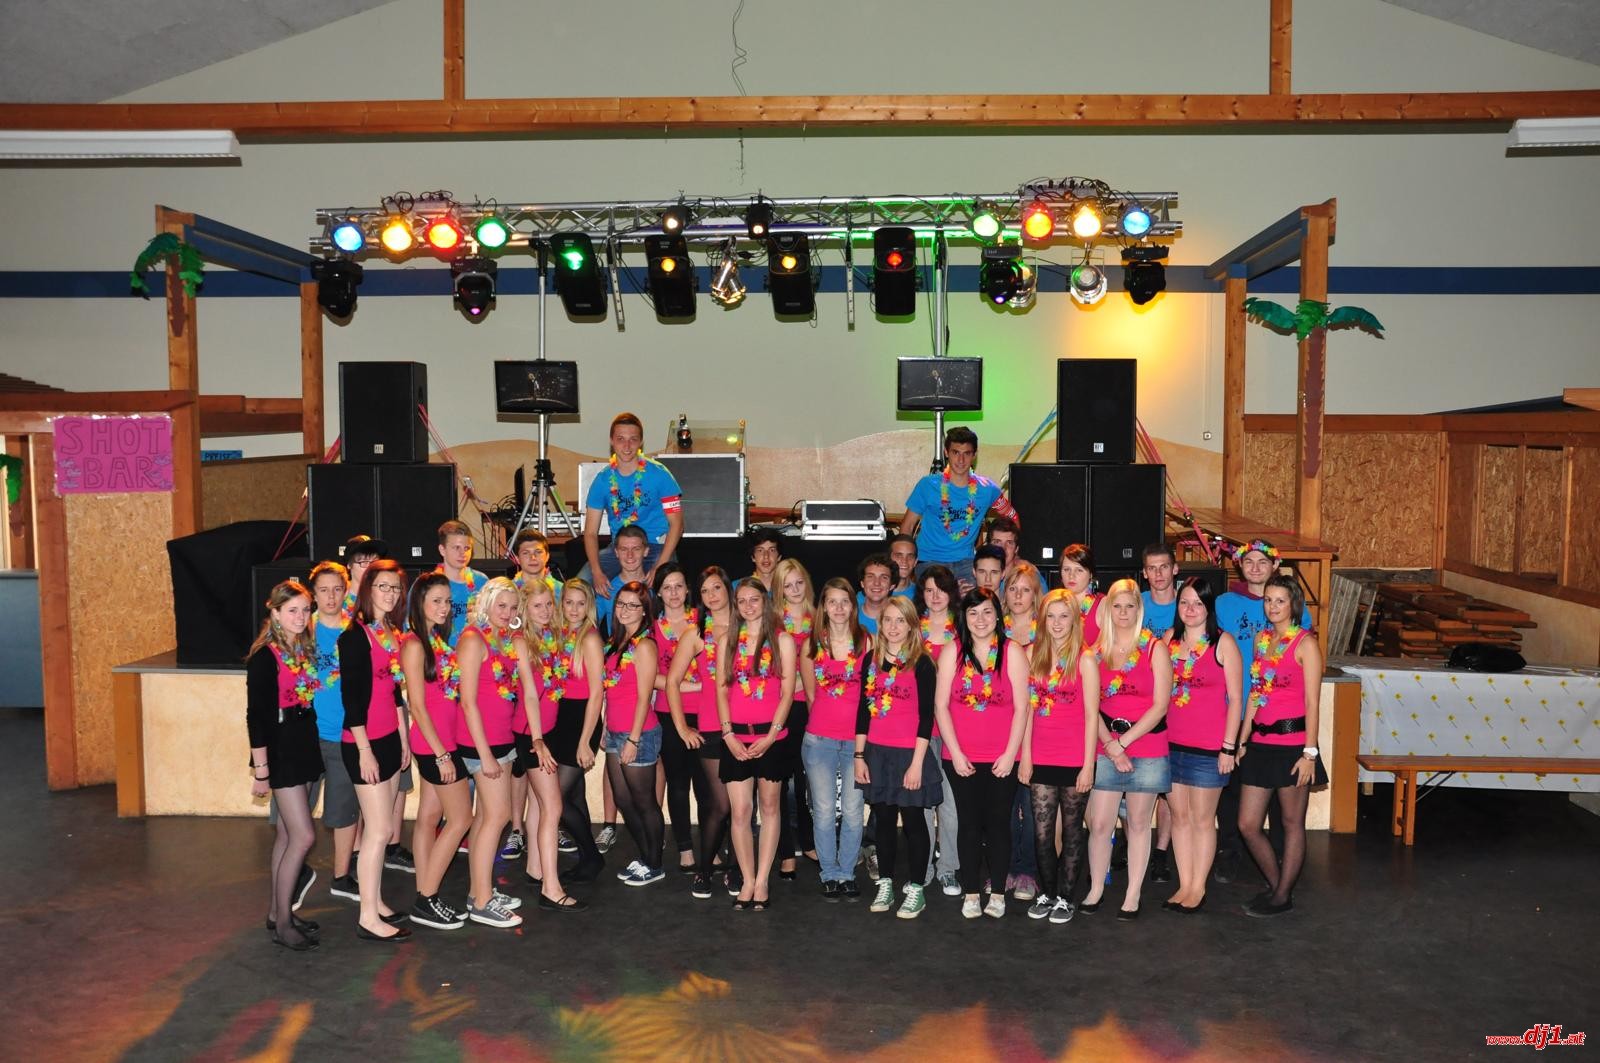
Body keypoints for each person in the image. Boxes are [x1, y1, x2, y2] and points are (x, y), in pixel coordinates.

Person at [1212, 539, 1311, 884]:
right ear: (1239, 566)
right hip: (1239, 713)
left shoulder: (1298, 623)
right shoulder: (1227, 606)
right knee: (1235, 797)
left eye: (1262, 562)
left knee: (1285, 808)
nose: (1255, 568)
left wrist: (1310, 750)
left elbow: (1306, 682)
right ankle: (1233, 856)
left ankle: (1283, 869)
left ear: (1275, 566)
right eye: (1249, 561)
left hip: (1284, 724)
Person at [933, 588, 1029, 920]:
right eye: (973, 613)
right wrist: (956, 753)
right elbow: (941, 706)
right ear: (964, 617)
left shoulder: (1013, 652)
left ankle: (998, 893)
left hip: (1003, 758)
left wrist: (1011, 753)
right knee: (969, 824)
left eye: (987, 611)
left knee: (999, 824)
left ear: (997, 615)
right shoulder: (952, 651)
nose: (980, 619)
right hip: (961, 758)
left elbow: (1022, 708)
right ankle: (972, 892)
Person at [1237, 574, 1328, 917]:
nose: (1272, 606)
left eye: (1280, 601)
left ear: (1293, 605)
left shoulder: (1306, 644)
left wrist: (1310, 753)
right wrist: (1242, 739)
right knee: (1248, 825)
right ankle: (1278, 886)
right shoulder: (1261, 640)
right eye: (1268, 600)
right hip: (1260, 744)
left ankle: (1282, 896)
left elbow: (1313, 703)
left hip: (1293, 747)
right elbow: (1255, 695)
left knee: (1291, 824)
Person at [1081, 578, 1172, 921]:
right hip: (1105, 744)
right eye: (1116, 606)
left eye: (1129, 606)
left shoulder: (1154, 649)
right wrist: (1110, 744)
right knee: (1100, 824)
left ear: (1139, 609)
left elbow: (1160, 705)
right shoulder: (1094, 651)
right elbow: (1089, 706)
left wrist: (1123, 743)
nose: (1122, 612)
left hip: (1146, 746)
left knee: (1137, 823)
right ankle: (1095, 889)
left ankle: (1132, 894)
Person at [337, 560, 412, 942]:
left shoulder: (391, 633)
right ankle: (368, 917)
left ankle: (375, 900)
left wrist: (403, 739)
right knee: (380, 829)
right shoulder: (354, 636)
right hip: (362, 743)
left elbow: (395, 692)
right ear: (368, 589)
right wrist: (365, 750)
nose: (390, 594)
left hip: (389, 740)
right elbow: (352, 701)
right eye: (383, 586)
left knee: (380, 831)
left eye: (395, 588)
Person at [247, 580, 324, 952]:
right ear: (275, 613)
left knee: (286, 834)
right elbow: (256, 717)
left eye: (305, 610)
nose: (300, 616)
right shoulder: (265, 657)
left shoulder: (302, 649)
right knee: (303, 836)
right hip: (281, 750)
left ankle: (277, 913)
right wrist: (262, 770)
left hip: (303, 741)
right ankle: (283, 924)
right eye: (292, 610)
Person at [855, 596, 942, 919]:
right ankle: (886, 883)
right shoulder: (870, 660)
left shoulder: (922, 662)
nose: (893, 627)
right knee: (884, 822)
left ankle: (917, 888)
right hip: (877, 753)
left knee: (914, 822)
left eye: (900, 620)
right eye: (888, 620)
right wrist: (859, 756)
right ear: (880, 624)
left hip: (910, 755)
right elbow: (863, 711)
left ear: (911, 625)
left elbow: (926, 717)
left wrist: (917, 764)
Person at [1020, 588, 1100, 924]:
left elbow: (1092, 716)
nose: (1056, 623)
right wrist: (1025, 756)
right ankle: (1047, 893)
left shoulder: (1085, 659)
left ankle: (1066, 898)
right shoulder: (1031, 655)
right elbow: (1026, 711)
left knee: (1071, 831)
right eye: (1050, 616)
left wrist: (1088, 766)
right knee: (1041, 833)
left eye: (1063, 616)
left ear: (1074, 620)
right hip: (1040, 754)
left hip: (1074, 757)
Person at [717, 577, 798, 911]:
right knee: (740, 812)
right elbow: (722, 689)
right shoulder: (727, 641)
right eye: (742, 601)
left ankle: (763, 879)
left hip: (772, 738)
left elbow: (788, 692)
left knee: (769, 807)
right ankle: (747, 880)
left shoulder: (782, 641)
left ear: (765, 602)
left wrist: (771, 735)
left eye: (754, 599)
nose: (748, 606)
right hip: (735, 738)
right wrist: (727, 735)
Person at [455, 577, 532, 929]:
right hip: (481, 744)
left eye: (513, 607)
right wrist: (485, 755)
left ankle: (479, 892)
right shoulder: (473, 639)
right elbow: (468, 702)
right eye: (501, 605)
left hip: (501, 740)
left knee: (486, 818)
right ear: (486, 604)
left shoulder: (503, 639)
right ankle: (482, 903)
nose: (507, 612)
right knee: (497, 816)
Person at [1164, 576, 1243, 914]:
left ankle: (1199, 887)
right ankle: (1184, 884)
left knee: (1201, 819)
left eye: (1198, 603)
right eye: (1184, 602)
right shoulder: (1167, 640)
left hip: (1209, 748)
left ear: (1209, 607)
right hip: (1169, 745)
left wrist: (1228, 747)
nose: (1191, 609)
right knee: (1179, 817)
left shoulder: (1223, 643)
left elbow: (1236, 699)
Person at [400, 573, 472, 930]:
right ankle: (426, 899)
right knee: (461, 820)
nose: (444, 607)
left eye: (447, 601)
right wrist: (442, 754)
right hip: (434, 746)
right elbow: (417, 705)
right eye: (436, 601)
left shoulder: (437, 641)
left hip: (443, 741)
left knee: (429, 818)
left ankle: (424, 890)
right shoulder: (415, 644)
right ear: (420, 603)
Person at [664, 566, 736, 899]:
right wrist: (682, 727)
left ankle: (736, 869)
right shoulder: (697, 634)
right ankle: (704, 870)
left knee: (743, 807)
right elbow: (672, 682)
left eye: (716, 588)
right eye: (705, 590)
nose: (711, 595)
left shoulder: (749, 628)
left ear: (728, 589)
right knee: (720, 805)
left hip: (747, 726)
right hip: (711, 727)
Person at [515, 579, 584, 911]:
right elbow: (530, 694)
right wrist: (538, 740)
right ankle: (551, 889)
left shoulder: (550, 638)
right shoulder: (521, 642)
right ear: (524, 610)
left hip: (549, 730)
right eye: (536, 606)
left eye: (548, 605)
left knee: (538, 804)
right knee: (553, 808)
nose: (544, 611)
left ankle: (535, 869)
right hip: (532, 733)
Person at [804, 577, 869, 901]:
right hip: (819, 741)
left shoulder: (867, 642)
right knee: (825, 809)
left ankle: (847, 872)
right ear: (824, 607)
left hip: (856, 743)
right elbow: (810, 695)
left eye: (845, 601)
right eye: (833, 601)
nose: (839, 608)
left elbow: (872, 695)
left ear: (853, 607)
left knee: (854, 810)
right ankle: (829, 872)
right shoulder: (812, 644)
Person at [540, 579, 608, 882]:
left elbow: (597, 693)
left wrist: (584, 742)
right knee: (574, 796)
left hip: (582, 720)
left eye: (581, 603)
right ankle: (586, 858)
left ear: (589, 606)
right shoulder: (556, 634)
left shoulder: (590, 638)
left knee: (557, 797)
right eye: (569, 602)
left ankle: (592, 856)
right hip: (560, 718)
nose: (574, 609)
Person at [601, 582, 666, 885]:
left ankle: (654, 864)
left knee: (644, 802)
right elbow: (610, 690)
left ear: (644, 611)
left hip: (638, 734)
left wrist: (633, 739)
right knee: (623, 800)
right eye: (621, 604)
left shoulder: (645, 646)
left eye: (632, 605)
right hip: (615, 731)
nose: (624, 610)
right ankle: (646, 855)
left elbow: (643, 697)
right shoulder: (615, 642)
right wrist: (605, 726)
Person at [899, 426, 1020, 589]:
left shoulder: (987, 490)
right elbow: (907, 527)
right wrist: (905, 565)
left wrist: (1013, 556)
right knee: (941, 595)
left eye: (967, 453)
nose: (961, 460)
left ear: (974, 455)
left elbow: (1012, 516)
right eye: (956, 452)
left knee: (975, 598)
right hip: (930, 560)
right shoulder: (927, 485)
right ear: (946, 452)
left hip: (966, 563)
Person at [304, 561, 358, 902]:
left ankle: (341, 876)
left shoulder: (356, 631)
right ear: (313, 594)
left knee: (344, 811)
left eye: (337, 589)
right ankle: (294, 870)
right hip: (307, 738)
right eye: (324, 590)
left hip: (343, 735)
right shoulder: (302, 631)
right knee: (297, 812)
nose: (331, 596)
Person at [582, 412, 683, 585]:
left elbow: (677, 524)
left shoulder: (660, 475)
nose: (627, 446)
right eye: (621, 439)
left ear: (641, 442)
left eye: (633, 439)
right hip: (620, 550)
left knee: (667, 583)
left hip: (656, 547)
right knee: (582, 584)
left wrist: (660, 565)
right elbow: (590, 533)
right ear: (612, 441)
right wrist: (596, 571)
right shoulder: (602, 480)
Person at [651, 563, 708, 874]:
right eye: (667, 587)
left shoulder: (704, 622)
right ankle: (685, 848)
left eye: (679, 586)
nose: (673, 593)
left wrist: (699, 688)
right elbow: (649, 675)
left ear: (688, 590)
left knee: (707, 784)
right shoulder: (650, 628)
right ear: (659, 592)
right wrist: (693, 686)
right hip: (668, 712)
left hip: (707, 712)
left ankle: (712, 846)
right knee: (677, 783)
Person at [1001, 559, 1047, 902]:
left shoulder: (1046, 634)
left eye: (1025, 590)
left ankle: (1028, 871)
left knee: (1031, 810)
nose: (1018, 596)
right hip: (999, 731)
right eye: (1013, 589)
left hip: (1037, 732)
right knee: (1003, 809)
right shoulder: (991, 628)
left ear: (1036, 595)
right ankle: (1006, 867)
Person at [915, 564, 961, 897]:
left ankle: (948, 869)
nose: (935, 596)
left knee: (950, 805)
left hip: (952, 729)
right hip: (916, 728)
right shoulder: (911, 630)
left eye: (940, 589)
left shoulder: (963, 630)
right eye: (929, 590)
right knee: (921, 803)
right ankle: (924, 867)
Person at [774, 558, 818, 879]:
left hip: (813, 708)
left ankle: (808, 839)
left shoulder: (820, 618)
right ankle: (786, 850)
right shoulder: (772, 622)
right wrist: (797, 683)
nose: (794, 590)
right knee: (781, 782)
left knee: (806, 780)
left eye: (798, 583)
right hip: (781, 708)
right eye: (787, 585)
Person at [433, 520, 489, 645]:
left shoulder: (482, 582)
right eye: (456, 547)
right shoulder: (428, 584)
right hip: (440, 652)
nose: (462, 553)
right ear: (442, 550)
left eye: (467, 548)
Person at [595, 524, 651, 632]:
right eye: (624, 549)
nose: (630, 555)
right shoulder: (606, 589)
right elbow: (589, 626)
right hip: (617, 643)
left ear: (646, 551)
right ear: (616, 552)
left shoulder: (655, 586)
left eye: (636, 549)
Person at [1058, 544, 1102, 649]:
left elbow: (1106, 648)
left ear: (1091, 574)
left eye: (1079, 570)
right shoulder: (1052, 603)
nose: (1071, 575)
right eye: (1066, 569)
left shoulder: (1104, 604)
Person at [1140, 542, 1181, 637]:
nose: (1158, 573)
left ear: (1175, 569)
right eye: (1152, 568)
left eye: (1164, 567)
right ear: (1145, 573)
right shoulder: (1136, 603)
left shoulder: (1187, 605)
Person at [510, 527, 562, 598]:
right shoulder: (508, 591)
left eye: (538, 552)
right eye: (526, 553)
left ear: (547, 556)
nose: (533, 557)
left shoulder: (562, 591)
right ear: (517, 559)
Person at [856, 553, 895, 636]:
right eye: (870, 577)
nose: (877, 583)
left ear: (892, 586)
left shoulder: (902, 619)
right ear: (862, 583)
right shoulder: (850, 617)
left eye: (884, 577)